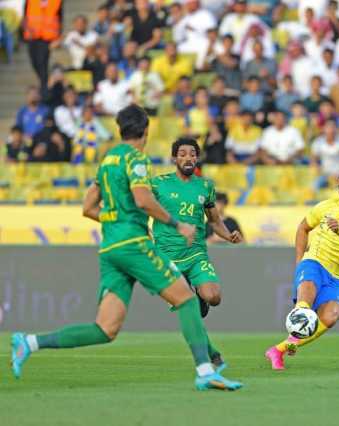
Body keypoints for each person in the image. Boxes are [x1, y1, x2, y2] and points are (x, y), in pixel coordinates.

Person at [11, 105, 243, 391]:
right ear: (145, 131)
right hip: (133, 244)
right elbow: (143, 200)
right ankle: (207, 370)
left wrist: (115, 221)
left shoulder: (108, 160)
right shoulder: (137, 159)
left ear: (120, 129)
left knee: (105, 329)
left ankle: (29, 342)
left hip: (110, 248)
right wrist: (176, 225)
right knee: (186, 298)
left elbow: (87, 208)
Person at [265, 169, 339, 370]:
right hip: (315, 261)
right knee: (304, 302)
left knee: (331, 316)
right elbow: (303, 228)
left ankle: (281, 348)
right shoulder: (325, 207)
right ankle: (298, 322)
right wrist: (300, 261)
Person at [152, 137, 242, 324]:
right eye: (183, 154)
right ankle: (190, 297)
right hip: (166, 256)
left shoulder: (205, 186)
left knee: (214, 297)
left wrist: (228, 236)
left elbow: (215, 220)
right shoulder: (158, 183)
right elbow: (140, 206)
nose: (188, 158)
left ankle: (201, 297)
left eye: (193, 155)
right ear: (174, 158)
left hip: (195, 253)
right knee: (186, 307)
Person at [23, 0, 63, 94]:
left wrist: (58, 38)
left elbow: (60, 18)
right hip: (32, 37)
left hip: (47, 39)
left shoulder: (56, 2)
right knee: (35, 63)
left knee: (42, 63)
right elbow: (25, 16)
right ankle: (44, 85)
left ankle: (44, 89)